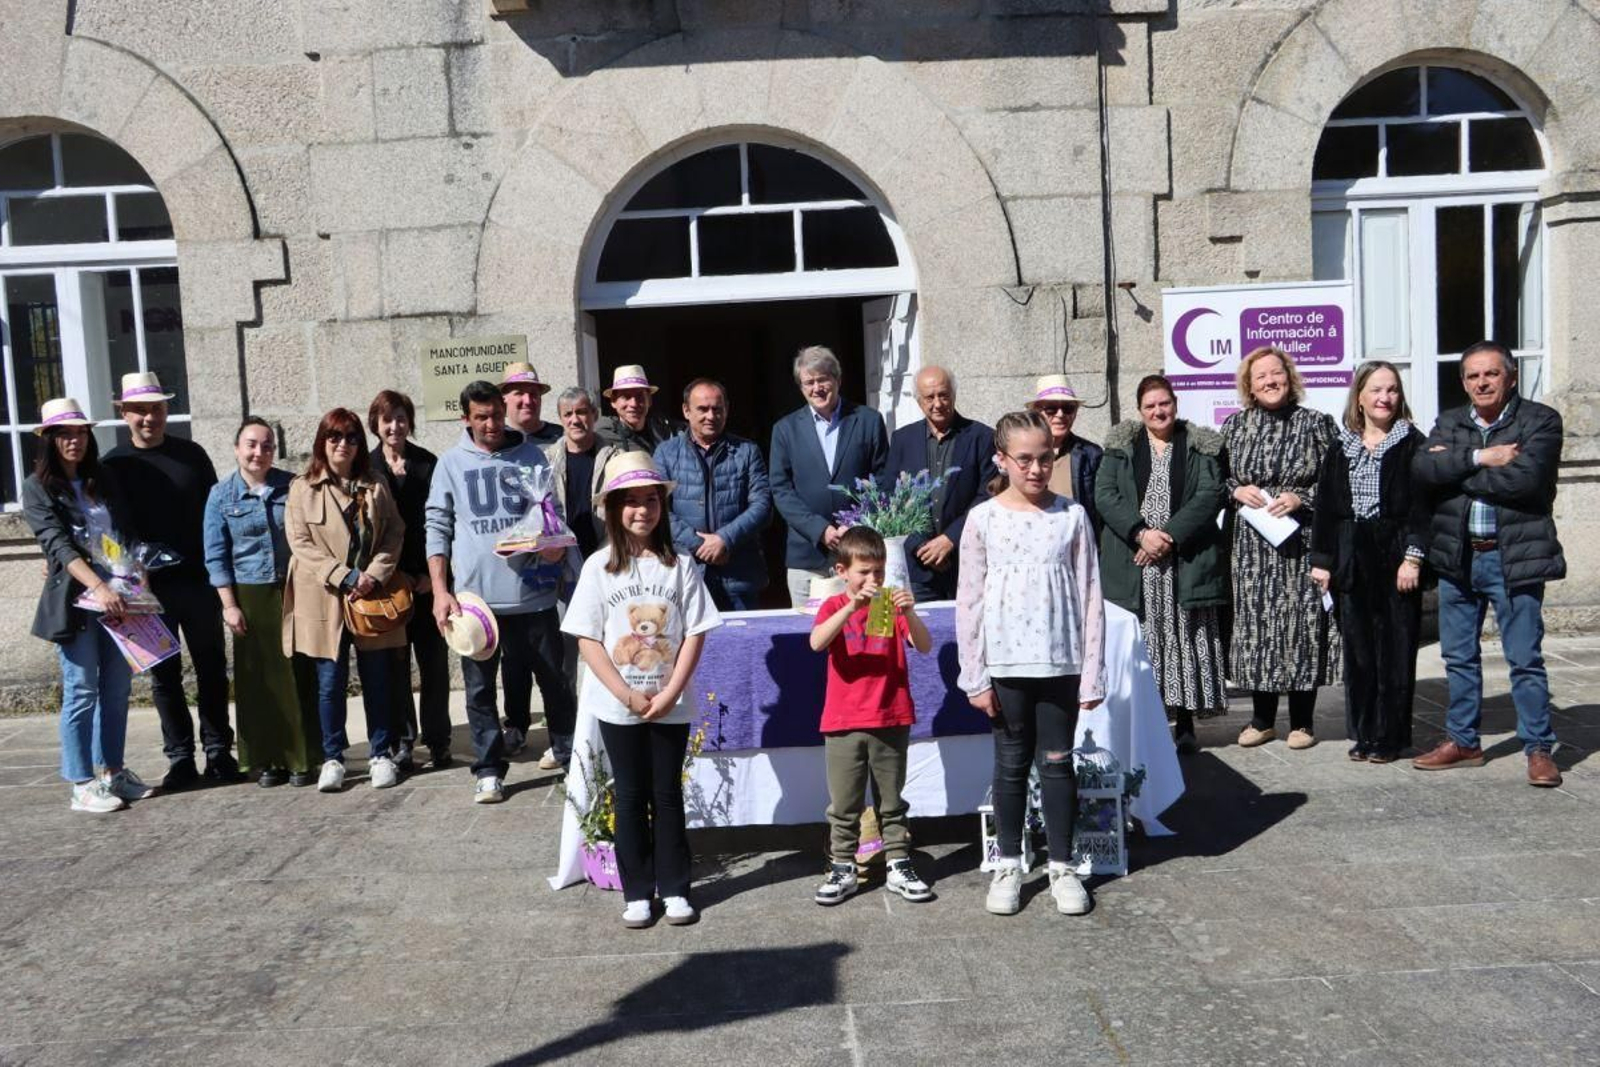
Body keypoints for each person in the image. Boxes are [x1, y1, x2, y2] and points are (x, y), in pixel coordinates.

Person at [561, 453, 721, 928]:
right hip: (618, 703)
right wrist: (625, 694)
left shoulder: (680, 566)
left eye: (650, 501)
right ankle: (637, 891)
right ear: (612, 509)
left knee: (667, 794)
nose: (642, 511)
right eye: (630, 502)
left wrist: (672, 689)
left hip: (670, 701)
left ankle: (674, 889)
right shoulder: (597, 569)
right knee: (629, 795)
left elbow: (697, 630)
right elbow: (588, 638)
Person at [957, 410, 1105, 917]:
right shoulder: (983, 519)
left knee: (1059, 763)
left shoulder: (1072, 516)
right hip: (1006, 662)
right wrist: (974, 674)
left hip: (1060, 661)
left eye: (1044, 458)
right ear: (1002, 459)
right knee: (1011, 763)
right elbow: (969, 601)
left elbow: (1090, 594)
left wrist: (1092, 670)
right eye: (1024, 459)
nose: (1036, 469)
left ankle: (1063, 866)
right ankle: (1010, 863)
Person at [1411, 341, 1566, 787]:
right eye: (1473, 376)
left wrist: (1455, 472)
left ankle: (1538, 748)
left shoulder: (1539, 421)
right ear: (1463, 382)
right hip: (1458, 557)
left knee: (1524, 659)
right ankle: (1463, 742)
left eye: (1491, 374)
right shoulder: (1450, 421)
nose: (1481, 382)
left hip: (1513, 557)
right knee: (1458, 657)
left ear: (1510, 377)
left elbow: (1525, 482)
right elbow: (1423, 473)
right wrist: (1482, 457)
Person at [425, 380, 575, 801]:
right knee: (479, 690)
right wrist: (441, 590)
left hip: (533, 595)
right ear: (465, 419)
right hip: (476, 605)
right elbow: (437, 527)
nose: (491, 424)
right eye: (481, 417)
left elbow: (552, 514)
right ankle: (489, 768)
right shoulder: (451, 464)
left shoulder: (531, 456)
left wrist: (553, 548)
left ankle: (567, 754)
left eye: (495, 414)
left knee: (554, 681)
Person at [102, 371, 242, 789]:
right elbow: (106, 533)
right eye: (140, 411)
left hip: (198, 583)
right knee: (163, 677)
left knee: (212, 669)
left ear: (166, 411)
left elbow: (216, 516)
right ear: (125, 414)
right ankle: (180, 758)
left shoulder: (192, 455)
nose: (150, 418)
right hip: (147, 591)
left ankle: (219, 752)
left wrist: (223, 576)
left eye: (157, 409)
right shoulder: (112, 466)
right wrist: (123, 574)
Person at [23, 398, 157, 813]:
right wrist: (99, 586)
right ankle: (80, 782)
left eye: (80, 432)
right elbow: (57, 544)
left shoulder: (104, 478)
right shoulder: (36, 488)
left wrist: (139, 575)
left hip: (120, 598)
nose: (74, 441)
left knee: (116, 689)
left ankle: (112, 772)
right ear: (48, 439)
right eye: (64, 433)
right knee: (81, 689)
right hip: (77, 602)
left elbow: (125, 531)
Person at [1095, 375, 1229, 752]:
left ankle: (1185, 723)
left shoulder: (1199, 446)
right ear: (1140, 411)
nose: (1158, 411)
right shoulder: (1120, 448)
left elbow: (1210, 494)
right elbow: (1104, 495)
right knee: (1145, 643)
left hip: (1182, 563)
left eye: (1164, 403)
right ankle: (1149, 722)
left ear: (1175, 403)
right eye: (1150, 405)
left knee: (1183, 640)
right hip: (1136, 564)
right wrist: (1141, 534)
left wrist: (1166, 537)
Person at [1308, 362, 1430, 764]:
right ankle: (1363, 732)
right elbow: (1325, 506)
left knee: (1395, 649)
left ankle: (1391, 735)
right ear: (1359, 396)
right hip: (1351, 555)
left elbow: (1422, 508)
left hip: (1394, 553)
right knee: (1359, 651)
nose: (1385, 398)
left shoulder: (1413, 443)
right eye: (1376, 390)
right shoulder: (1342, 444)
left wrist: (1413, 558)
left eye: (1392, 390)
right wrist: (1322, 561)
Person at [808, 526, 935, 906]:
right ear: (842, 571)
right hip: (844, 720)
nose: (873, 579)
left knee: (892, 800)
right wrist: (851, 606)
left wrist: (910, 613)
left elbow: (924, 646)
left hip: (891, 714)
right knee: (843, 804)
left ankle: (898, 861)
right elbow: (816, 642)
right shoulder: (835, 606)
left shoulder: (888, 605)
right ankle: (843, 866)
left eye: (878, 571)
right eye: (864, 572)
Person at [1222, 346, 1341, 750]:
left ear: (1290, 379)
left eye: (1277, 374)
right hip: (1253, 549)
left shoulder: (1316, 424)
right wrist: (1236, 489)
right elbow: (1215, 480)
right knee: (1257, 630)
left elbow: (1336, 481)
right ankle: (1262, 719)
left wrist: (1301, 498)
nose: (1270, 381)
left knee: (1300, 627)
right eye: (1261, 377)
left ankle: (1303, 722)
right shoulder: (1235, 428)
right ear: (1249, 387)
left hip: (1302, 543)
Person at [283, 408, 404, 793]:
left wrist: (374, 574)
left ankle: (380, 753)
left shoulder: (376, 484)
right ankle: (333, 756)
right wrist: (345, 575)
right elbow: (300, 542)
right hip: (324, 596)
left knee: (378, 678)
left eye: (351, 438)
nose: (342, 445)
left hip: (371, 596)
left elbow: (394, 534)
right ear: (322, 441)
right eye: (334, 437)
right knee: (329, 681)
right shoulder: (303, 488)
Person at [203, 418, 320, 787]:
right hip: (249, 594)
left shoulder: (294, 486)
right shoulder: (221, 495)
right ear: (237, 448)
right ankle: (269, 759)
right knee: (259, 682)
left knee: (297, 673)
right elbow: (216, 555)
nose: (259, 452)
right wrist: (229, 605)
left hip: (293, 589)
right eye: (251, 444)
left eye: (267, 445)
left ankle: (303, 757)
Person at [369, 391, 453, 772]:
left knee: (434, 665)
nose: (394, 426)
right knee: (397, 667)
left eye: (401, 418)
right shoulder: (367, 468)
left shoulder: (428, 463)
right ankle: (405, 742)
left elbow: (440, 523)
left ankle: (438, 740)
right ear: (376, 423)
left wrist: (432, 580)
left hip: (426, 581)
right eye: (387, 419)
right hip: (388, 585)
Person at [770, 346, 889, 608]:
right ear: (801, 387)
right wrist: (820, 529)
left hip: (862, 557)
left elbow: (883, 480)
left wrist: (855, 524)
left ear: (837, 379)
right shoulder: (785, 429)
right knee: (810, 639)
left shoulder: (868, 421)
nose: (817, 388)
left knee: (868, 630)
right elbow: (780, 490)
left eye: (823, 379)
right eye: (809, 382)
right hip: (807, 558)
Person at [653, 378, 773, 611]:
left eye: (717, 409)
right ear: (686, 411)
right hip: (688, 572)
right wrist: (698, 544)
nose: (711, 416)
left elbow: (762, 505)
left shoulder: (747, 451)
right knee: (693, 647)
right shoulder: (666, 453)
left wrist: (724, 539)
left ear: (726, 411)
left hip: (740, 574)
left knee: (744, 645)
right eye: (703, 409)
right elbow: (658, 508)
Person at [546, 386, 618, 770]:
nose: (576, 420)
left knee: (607, 654)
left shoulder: (612, 457)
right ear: (560, 418)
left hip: (606, 569)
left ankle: (605, 731)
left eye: (583, 412)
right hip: (565, 575)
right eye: (569, 414)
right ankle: (572, 738)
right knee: (566, 661)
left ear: (594, 414)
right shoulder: (547, 460)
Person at [884, 367, 993, 602]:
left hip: (966, 563)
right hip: (918, 569)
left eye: (943, 395)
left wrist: (950, 539)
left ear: (953, 394)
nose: (937, 403)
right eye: (929, 397)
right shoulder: (902, 439)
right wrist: (920, 547)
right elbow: (890, 499)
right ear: (918, 400)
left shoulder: (982, 437)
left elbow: (987, 496)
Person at [1026, 374, 1103, 534]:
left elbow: (1101, 509)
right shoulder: (1021, 453)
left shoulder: (1091, 454)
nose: (1060, 415)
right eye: (1051, 409)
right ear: (1036, 412)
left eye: (1068, 408)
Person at [596, 364, 674, 453]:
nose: (634, 404)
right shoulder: (602, 437)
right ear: (613, 401)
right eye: (626, 397)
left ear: (649, 400)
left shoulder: (666, 434)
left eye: (640, 396)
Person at [500, 361, 563, 447]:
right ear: (504, 399)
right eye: (519, 393)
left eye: (533, 394)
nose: (528, 401)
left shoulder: (562, 438)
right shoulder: (496, 440)